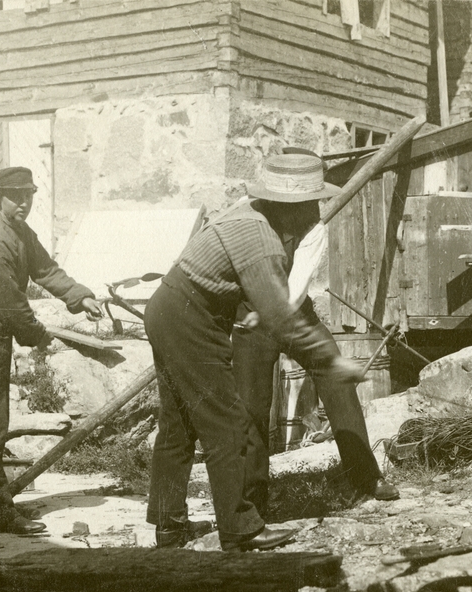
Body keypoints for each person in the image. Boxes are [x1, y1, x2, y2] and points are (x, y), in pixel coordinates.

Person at [145, 152, 365, 551]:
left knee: (178, 424)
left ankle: (169, 525)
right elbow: (282, 317)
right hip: (190, 318)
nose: (315, 213)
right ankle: (241, 529)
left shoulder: (247, 214)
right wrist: (331, 361)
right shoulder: (261, 239)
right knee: (227, 422)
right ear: (290, 206)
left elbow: (262, 302)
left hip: (168, 306)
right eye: (310, 204)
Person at [232, 148, 398, 518]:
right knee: (252, 405)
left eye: (308, 200)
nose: (304, 208)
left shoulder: (315, 228)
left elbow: (292, 294)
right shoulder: (246, 213)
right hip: (248, 312)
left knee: (335, 376)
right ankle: (252, 499)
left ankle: (365, 477)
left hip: (292, 309)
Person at [0, 167, 105, 536]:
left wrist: (79, 296)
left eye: (28, 195)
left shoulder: (19, 231)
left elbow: (45, 269)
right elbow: (12, 306)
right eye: (14, 196)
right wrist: (39, 336)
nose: (23, 203)